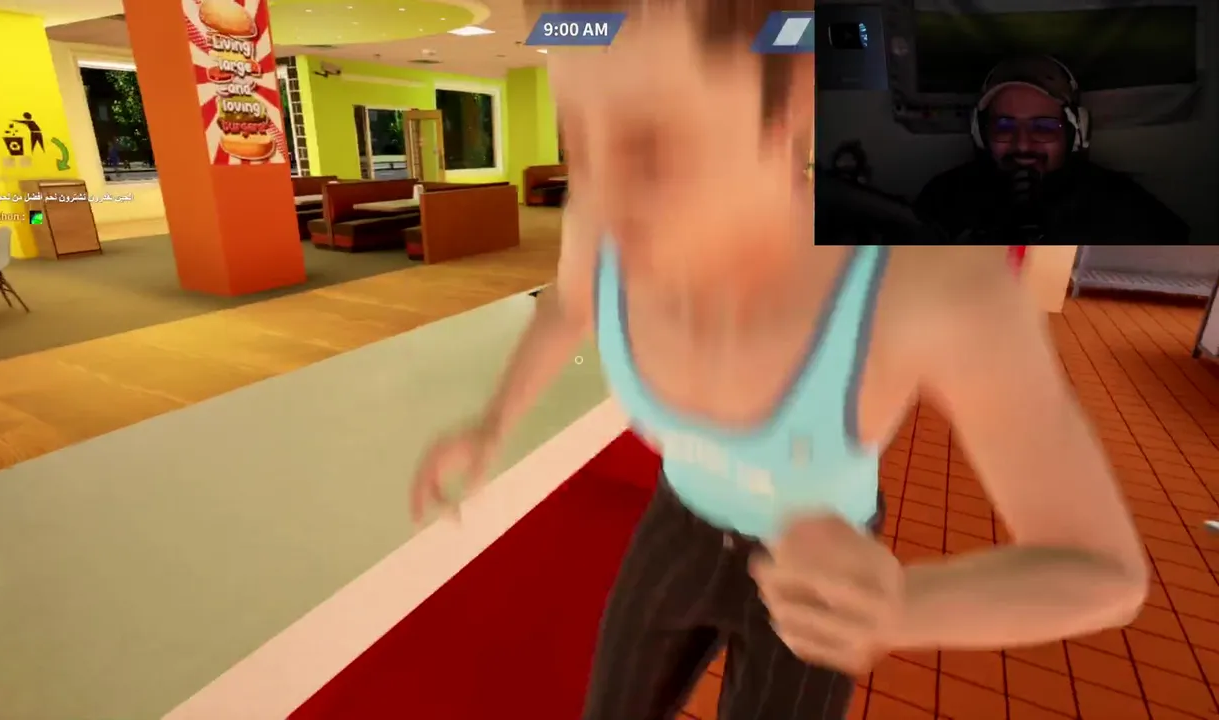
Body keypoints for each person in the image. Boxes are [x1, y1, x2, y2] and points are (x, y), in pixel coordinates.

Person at [410, 3, 1149, 718]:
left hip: (817, 567)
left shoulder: (924, 284)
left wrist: (903, 608)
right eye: (578, 140)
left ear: (789, 105)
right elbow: (569, 303)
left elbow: (1106, 572)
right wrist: (491, 422)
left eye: (653, 147)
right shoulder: (602, 220)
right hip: (678, 522)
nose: (604, 200)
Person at [915, 55, 1189, 245]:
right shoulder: (944, 199)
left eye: (1044, 127)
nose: (1022, 144)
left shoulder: (1124, 208)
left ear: (1075, 133)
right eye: (1004, 126)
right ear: (980, 131)